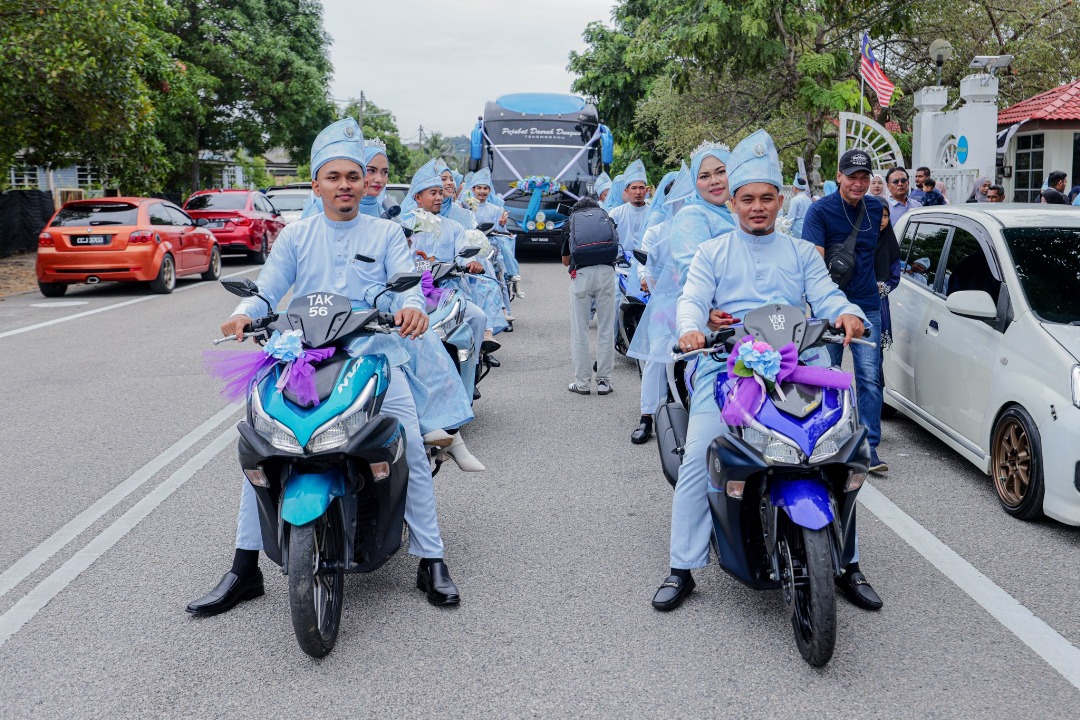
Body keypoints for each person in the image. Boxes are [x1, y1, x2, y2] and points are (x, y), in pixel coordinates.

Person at [187, 118, 461, 616]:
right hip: (301, 355)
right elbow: (268, 288)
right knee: (264, 448)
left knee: (411, 446)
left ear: (364, 182)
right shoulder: (295, 236)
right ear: (316, 185)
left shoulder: (386, 233)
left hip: (373, 353)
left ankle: (431, 559)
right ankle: (244, 568)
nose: (345, 185)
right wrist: (243, 314)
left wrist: (412, 307)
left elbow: (405, 285)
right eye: (333, 177)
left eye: (353, 176)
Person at [652, 129, 880, 612]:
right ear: (733, 202)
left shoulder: (800, 252)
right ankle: (682, 567)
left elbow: (827, 294)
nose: (757, 207)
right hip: (727, 368)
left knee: (839, 455)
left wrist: (846, 313)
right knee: (700, 454)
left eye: (767, 198)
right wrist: (691, 328)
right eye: (748, 199)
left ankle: (848, 563)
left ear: (780, 201)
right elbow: (692, 299)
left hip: (801, 366)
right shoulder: (713, 253)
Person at [803, 148, 900, 476]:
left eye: (864, 177)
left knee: (870, 378)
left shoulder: (874, 208)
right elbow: (813, 262)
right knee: (827, 375)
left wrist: (886, 282)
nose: (858, 183)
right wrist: (823, 304)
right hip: (830, 307)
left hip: (867, 305)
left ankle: (868, 447)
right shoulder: (820, 211)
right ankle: (826, 441)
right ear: (838, 177)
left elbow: (886, 251)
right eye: (851, 177)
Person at [563, 196, 619, 395]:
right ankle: (604, 382)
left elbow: (565, 260)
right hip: (606, 273)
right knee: (606, 329)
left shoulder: (571, 224)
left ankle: (582, 383)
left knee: (580, 331)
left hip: (581, 275)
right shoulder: (606, 219)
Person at [469, 168, 523, 301]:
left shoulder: (496, 209)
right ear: (473, 189)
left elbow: (500, 230)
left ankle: (512, 279)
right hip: (471, 243)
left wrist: (502, 223)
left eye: (485, 188)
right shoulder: (466, 207)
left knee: (501, 254)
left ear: (489, 190)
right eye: (479, 188)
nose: (482, 191)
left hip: (491, 243)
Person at [609, 160, 650, 256]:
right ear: (626, 191)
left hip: (646, 262)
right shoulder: (616, 213)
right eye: (634, 188)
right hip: (621, 262)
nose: (638, 192)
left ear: (646, 190)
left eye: (641, 188)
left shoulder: (652, 213)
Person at [785, 173, 812, 238]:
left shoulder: (795, 200)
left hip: (797, 228)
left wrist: (786, 230)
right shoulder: (808, 198)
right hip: (807, 226)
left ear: (795, 188)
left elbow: (791, 217)